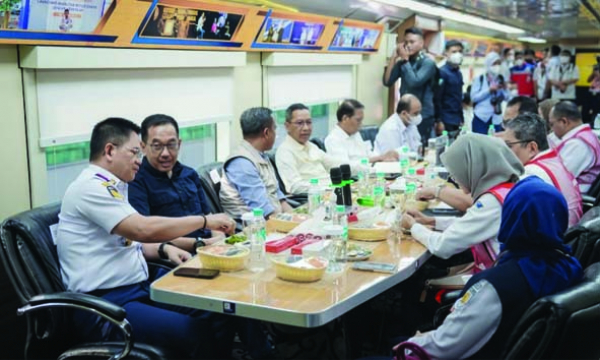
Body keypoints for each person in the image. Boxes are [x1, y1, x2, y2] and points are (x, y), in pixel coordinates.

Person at [56, 118, 238, 359]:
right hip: (106, 305)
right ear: (109, 150)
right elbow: (141, 229)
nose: (138, 161)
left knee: (217, 307)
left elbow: (128, 244)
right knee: (192, 331)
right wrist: (205, 221)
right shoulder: (90, 187)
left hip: (137, 287)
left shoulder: (114, 186)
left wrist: (164, 250)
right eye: (134, 152)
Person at [396, 176, 582, 359]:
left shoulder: (494, 286)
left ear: (509, 218)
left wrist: (414, 342)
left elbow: (443, 347)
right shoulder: (571, 266)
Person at [402, 133, 524, 272]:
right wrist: (431, 221)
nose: (454, 179)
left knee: (425, 273)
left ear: (473, 168)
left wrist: (412, 226)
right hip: (504, 270)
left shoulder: (491, 202)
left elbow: (442, 246)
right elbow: (471, 225)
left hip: (497, 277)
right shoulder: (504, 188)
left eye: (456, 173)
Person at [129, 114, 226, 252]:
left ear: (179, 144)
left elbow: (208, 216)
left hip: (210, 249)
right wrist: (201, 244)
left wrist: (220, 240)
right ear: (143, 147)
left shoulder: (190, 174)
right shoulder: (136, 181)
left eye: (171, 145)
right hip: (174, 257)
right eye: (157, 146)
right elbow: (147, 234)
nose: (165, 153)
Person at [499, 113, 582, 226]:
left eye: (509, 146)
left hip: (555, 237)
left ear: (532, 148)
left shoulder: (531, 174)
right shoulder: (552, 159)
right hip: (568, 231)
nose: (504, 152)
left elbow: (499, 207)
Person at [220, 107, 293, 219]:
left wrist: (298, 218)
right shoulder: (242, 163)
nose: (276, 134)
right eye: (275, 129)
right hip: (255, 229)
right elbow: (264, 212)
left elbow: (279, 197)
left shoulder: (260, 155)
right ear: (266, 133)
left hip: (275, 220)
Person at [383, 27, 437, 144]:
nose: (408, 45)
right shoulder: (403, 61)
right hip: (406, 115)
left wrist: (405, 60)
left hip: (422, 115)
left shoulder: (428, 63)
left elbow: (414, 82)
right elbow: (387, 82)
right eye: (406, 42)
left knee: (420, 147)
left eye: (412, 42)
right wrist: (393, 57)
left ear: (421, 43)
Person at [276, 103, 340, 195]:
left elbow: (336, 165)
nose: (306, 128)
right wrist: (327, 187)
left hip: (332, 191)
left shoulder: (311, 146)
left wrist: (365, 168)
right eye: (299, 123)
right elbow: (294, 186)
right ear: (287, 126)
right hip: (314, 198)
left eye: (309, 122)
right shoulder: (285, 152)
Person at [324, 99, 398, 169]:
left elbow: (368, 153)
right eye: (358, 120)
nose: (361, 124)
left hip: (369, 173)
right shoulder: (333, 140)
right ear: (345, 118)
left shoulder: (355, 133)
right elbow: (346, 167)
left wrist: (384, 158)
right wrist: (376, 159)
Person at [549, 101, 600, 193]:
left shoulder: (579, 144)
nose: (552, 129)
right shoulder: (586, 136)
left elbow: (557, 178)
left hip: (573, 198)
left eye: (552, 124)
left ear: (564, 122)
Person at [470, 52, 509, 134]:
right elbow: (473, 98)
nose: (497, 66)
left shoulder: (501, 79)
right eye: (494, 64)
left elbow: (507, 97)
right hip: (481, 117)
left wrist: (505, 89)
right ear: (488, 64)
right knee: (480, 142)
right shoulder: (480, 79)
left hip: (496, 117)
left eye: (499, 63)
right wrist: (489, 90)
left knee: (496, 142)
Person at [437, 40, 465, 133]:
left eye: (460, 51)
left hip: (456, 119)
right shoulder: (442, 72)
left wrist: (461, 118)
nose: (458, 54)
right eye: (454, 52)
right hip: (445, 119)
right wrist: (439, 121)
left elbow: (458, 97)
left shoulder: (459, 73)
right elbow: (437, 98)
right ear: (446, 54)